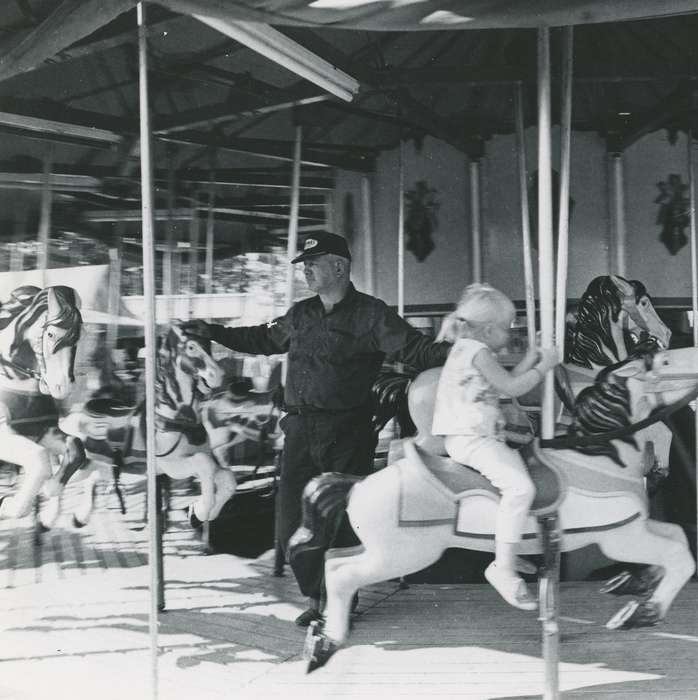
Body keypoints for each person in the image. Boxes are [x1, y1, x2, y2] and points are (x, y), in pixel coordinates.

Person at [180, 232, 449, 625]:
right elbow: (261, 338)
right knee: (291, 520)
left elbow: (414, 349)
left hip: (347, 431)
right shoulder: (301, 314)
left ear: (338, 267)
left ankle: (340, 599)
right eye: (305, 264)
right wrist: (214, 332)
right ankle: (317, 594)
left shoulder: (371, 314)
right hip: (301, 429)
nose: (305, 270)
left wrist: (456, 349)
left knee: (341, 520)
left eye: (313, 263)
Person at [431, 284, 559, 611]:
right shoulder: (477, 351)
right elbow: (513, 386)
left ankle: (509, 552)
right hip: (472, 438)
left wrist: (532, 356)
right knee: (520, 488)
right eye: (508, 328)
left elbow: (503, 384)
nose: (509, 334)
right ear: (489, 330)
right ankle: (501, 568)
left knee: (516, 479)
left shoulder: (465, 348)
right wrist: (545, 367)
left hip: (469, 436)